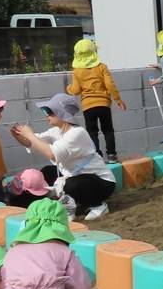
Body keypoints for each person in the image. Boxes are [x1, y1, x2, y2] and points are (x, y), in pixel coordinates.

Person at [10, 93, 116, 221]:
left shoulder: (77, 133)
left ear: (61, 113)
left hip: (102, 183)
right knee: (47, 172)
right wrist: (19, 135)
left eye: (49, 111)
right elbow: (34, 143)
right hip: (80, 178)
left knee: (71, 184)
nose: (46, 115)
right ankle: (70, 200)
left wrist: (30, 135)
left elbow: (51, 154)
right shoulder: (58, 131)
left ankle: (97, 205)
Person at [66, 38, 126, 163]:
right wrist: (118, 100)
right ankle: (112, 155)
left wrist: (69, 89)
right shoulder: (102, 67)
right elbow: (110, 84)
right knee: (108, 130)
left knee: (92, 132)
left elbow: (76, 90)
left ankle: (97, 156)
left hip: (88, 106)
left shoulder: (77, 71)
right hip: (103, 104)